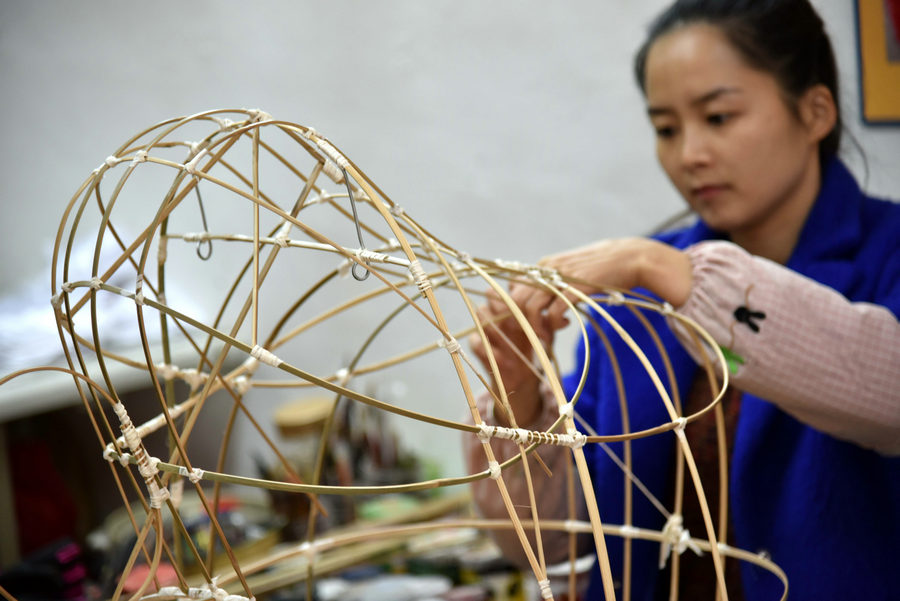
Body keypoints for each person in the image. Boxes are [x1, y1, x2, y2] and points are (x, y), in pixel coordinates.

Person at [464, 1, 900, 599]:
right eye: (666, 129)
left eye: (718, 117)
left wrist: (681, 276)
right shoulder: (635, 295)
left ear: (815, 112)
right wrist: (520, 406)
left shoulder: (888, 255)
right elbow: (552, 539)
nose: (689, 153)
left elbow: (885, 388)